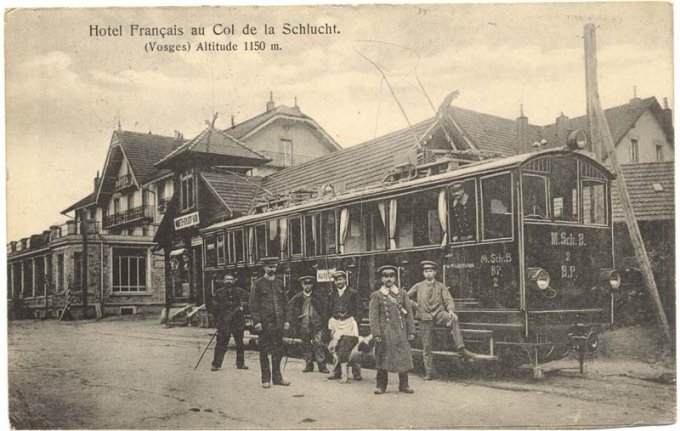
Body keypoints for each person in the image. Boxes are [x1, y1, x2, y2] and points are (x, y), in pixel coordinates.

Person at [408, 261, 482, 380]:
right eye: (426, 271)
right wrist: (416, 305)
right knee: (427, 346)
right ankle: (428, 372)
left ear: (435, 272)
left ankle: (461, 348)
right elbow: (406, 297)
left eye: (430, 271)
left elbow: (448, 299)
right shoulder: (418, 286)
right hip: (425, 317)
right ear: (423, 273)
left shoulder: (441, 286)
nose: (428, 273)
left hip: (438, 314)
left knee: (453, 318)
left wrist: (451, 311)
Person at [369, 265, 416, 394]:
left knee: (403, 358)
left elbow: (409, 314)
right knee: (382, 358)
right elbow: (373, 317)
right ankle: (381, 386)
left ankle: (404, 385)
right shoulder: (376, 295)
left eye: (391, 276)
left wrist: (411, 331)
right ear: (381, 279)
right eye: (385, 276)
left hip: (400, 331)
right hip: (385, 332)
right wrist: (376, 333)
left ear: (395, 278)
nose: (388, 279)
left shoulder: (402, 294)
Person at [249, 257, 291, 388]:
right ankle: (265, 379)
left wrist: (287, 320)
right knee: (264, 351)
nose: (272, 269)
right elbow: (253, 304)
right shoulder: (258, 283)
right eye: (269, 267)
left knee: (278, 351)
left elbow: (286, 304)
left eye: (274, 266)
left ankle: (278, 378)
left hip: (278, 323)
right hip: (265, 324)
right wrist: (257, 321)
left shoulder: (279, 284)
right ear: (264, 267)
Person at [287, 275, 330, 374]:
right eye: (305, 284)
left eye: (309, 284)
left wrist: (323, 320)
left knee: (319, 344)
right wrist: (293, 320)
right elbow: (289, 309)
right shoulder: (297, 298)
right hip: (304, 325)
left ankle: (322, 366)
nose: (307, 286)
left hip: (317, 324)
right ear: (302, 285)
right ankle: (308, 364)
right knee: (305, 345)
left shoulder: (317, 297)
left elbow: (325, 309)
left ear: (312, 285)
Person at [209, 272, 250, 372]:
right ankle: (216, 364)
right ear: (223, 281)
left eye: (231, 279)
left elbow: (249, 301)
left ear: (234, 280)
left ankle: (240, 363)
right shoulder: (219, 293)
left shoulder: (240, 292)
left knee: (240, 343)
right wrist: (218, 322)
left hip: (237, 322)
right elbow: (214, 309)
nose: (229, 281)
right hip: (224, 322)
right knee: (221, 343)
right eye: (227, 279)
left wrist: (242, 307)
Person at [327, 270, 363, 381]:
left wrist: (355, 321)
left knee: (353, 347)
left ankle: (356, 372)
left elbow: (360, 308)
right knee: (337, 346)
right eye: (336, 280)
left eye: (340, 279)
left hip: (349, 323)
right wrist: (330, 322)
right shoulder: (331, 294)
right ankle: (337, 371)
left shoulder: (353, 293)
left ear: (345, 280)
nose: (338, 282)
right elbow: (327, 310)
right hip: (336, 323)